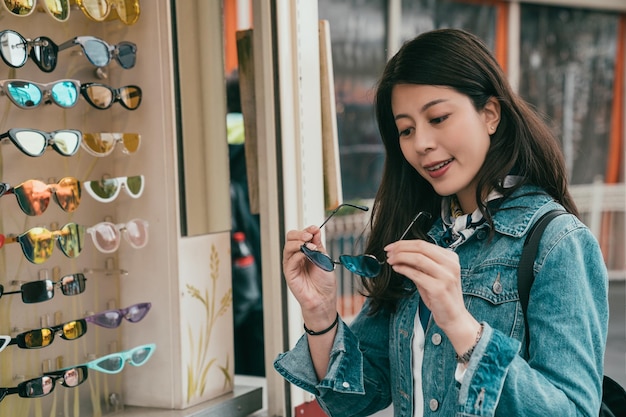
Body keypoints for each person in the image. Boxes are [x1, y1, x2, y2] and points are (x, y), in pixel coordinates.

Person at [274, 28, 608, 416]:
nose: (421, 144)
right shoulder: (416, 235)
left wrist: (462, 327)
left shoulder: (556, 243)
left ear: (490, 114)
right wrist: (319, 312)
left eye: (438, 117)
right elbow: (356, 397)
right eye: (406, 129)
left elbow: (574, 410)